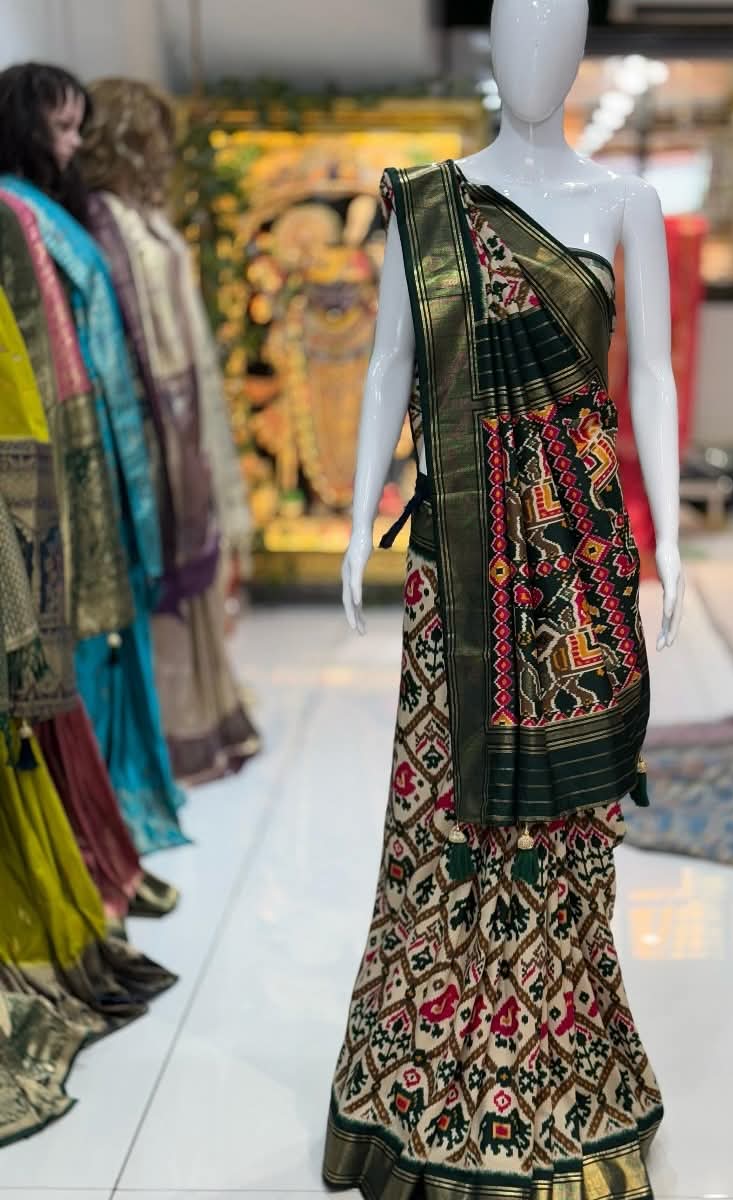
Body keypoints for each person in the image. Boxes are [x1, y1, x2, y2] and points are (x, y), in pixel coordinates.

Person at [325, 2, 680, 1196]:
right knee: (443, 819)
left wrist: (672, 539)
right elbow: (389, 363)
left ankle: (562, 1063)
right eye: (519, 28)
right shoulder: (428, 204)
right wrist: (354, 522)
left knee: (567, 832)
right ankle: (429, 1072)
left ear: (582, 51)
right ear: (488, 47)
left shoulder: (626, 203)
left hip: (578, 569)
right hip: (459, 569)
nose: (537, 54)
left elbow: (653, 377)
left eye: (559, 29)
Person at [0, 62, 188, 854]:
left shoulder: (49, 213)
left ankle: (111, 810)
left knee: (107, 627)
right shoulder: (17, 214)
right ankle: (88, 825)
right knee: (77, 631)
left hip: (97, 438)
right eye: (62, 127)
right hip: (54, 450)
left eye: (80, 127)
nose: (75, 144)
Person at [78, 77, 259, 784]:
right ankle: (169, 738)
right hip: (152, 439)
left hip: (182, 429)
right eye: (152, 136)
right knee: (162, 602)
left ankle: (201, 725)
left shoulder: (141, 221)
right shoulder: (102, 224)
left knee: (193, 590)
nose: (162, 152)